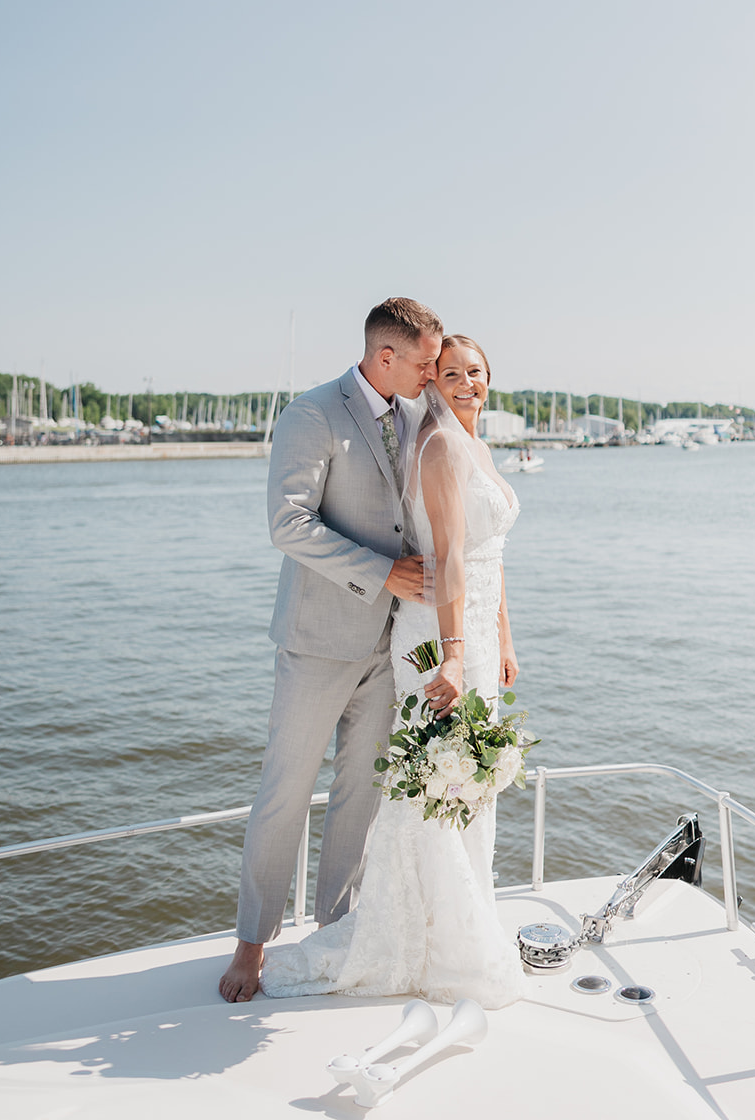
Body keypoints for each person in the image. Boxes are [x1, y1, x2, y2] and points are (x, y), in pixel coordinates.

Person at [255, 334, 525, 1008]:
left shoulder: (461, 439)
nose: (461, 381)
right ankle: (281, 940)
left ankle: (444, 921)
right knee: (377, 787)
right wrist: (457, 653)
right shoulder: (414, 437)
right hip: (413, 633)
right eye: (447, 369)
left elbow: (489, 556)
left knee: (429, 786)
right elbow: (447, 559)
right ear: (410, 366)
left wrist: (502, 637)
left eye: (474, 371)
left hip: (466, 635)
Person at [218, 297, 444, 1004]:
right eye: (424, 362)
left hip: (391, 645)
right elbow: (287, 525)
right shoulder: (310, 413)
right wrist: (381, 572)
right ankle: (250, 945)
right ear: (386, 357)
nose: (433, 374)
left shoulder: (415, 417)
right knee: (284, 797)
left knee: (360, 798)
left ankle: (334, 934)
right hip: (317, 643)